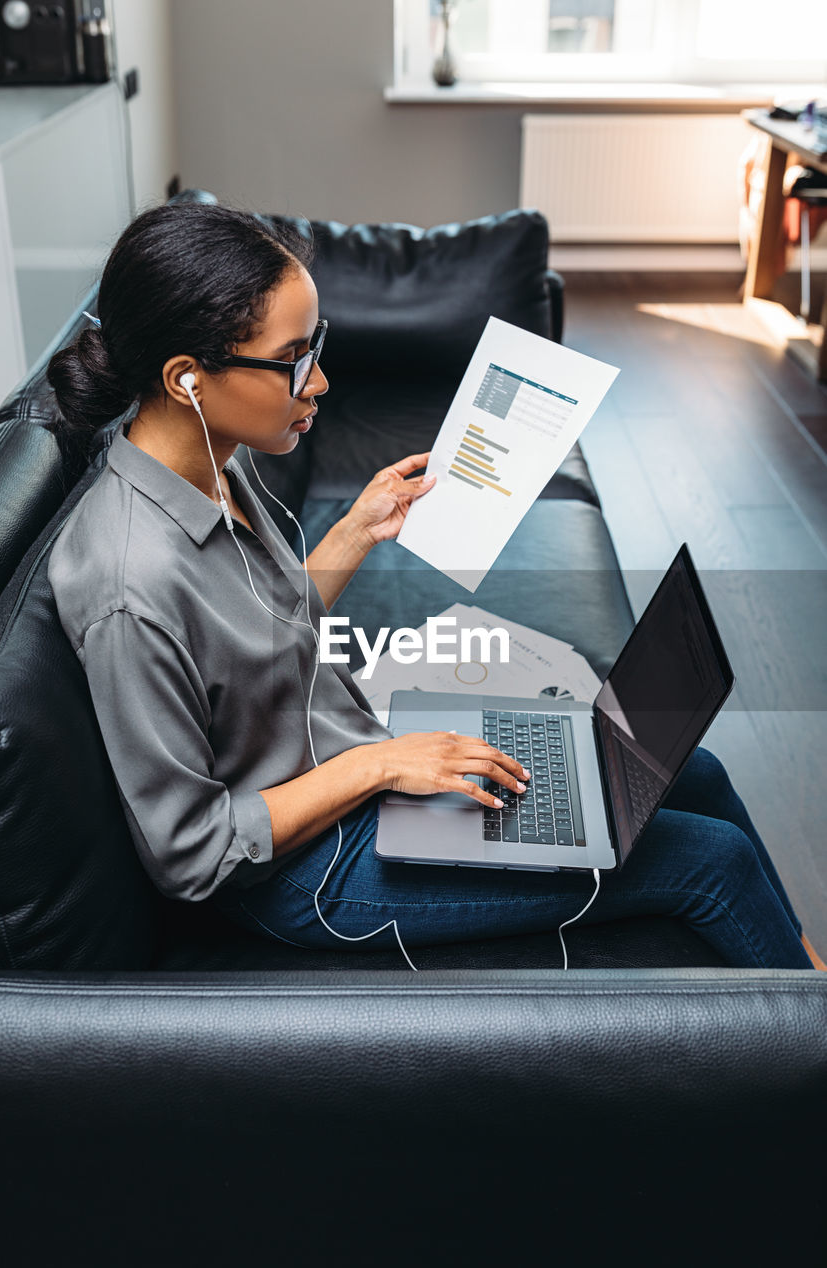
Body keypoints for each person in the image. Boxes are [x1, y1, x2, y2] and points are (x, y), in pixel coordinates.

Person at [47, 202, 822, 971]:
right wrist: (378, 766)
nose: (317, 382)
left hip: (352, 771)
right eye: (292, 360)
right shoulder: (128, 584)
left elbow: (257, 635)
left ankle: (797, 971)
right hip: (308, 874)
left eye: (315, 345)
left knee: (697, 773)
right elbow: (192, 854)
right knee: (709, 861)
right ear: (187, 379)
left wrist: (358, 526)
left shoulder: (210, 456)